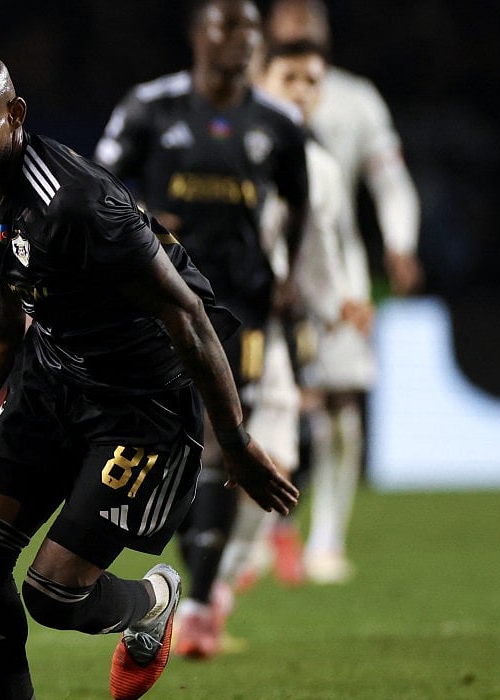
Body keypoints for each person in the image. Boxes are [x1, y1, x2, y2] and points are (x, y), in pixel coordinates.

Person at [0, 51, 298, 700]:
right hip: (54, 379)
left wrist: (237, 440)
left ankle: (152, 601)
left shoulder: (78, 203)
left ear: (16, 116)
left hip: (142, 402)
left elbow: (188, 317)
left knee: (54, 594)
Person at [95, 0, 309, 659]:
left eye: (250, 29)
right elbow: (100, 182)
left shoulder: (279, 123)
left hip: (238, 303)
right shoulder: (151, 108)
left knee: (219, 438)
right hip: (161, 298)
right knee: (174, 445)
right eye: (226, 26)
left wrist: (285, 273)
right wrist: (142, 222)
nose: (240, 40)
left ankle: (200, 601)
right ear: (198, 35)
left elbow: (300, 202)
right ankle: (188, 585)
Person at [267, 0, 424, 582]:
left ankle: (326, 539)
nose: (300, 32)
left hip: (339, 274)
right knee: (263, 406)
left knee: (339, 408)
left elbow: (390, 182)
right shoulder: (250, 96)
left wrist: (400, 242)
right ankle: (260, 532)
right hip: (265, 278)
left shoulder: (357, 101)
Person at [216, 38, 359, 600]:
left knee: (274, 458)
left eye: (313, 81)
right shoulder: (221, 138)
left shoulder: (318, 167)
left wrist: (336, 302)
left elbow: (319, 247)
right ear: (262, 78)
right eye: (289, 78)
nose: (302, 92)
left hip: (262, 328)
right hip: (195, 321)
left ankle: (211, 595)